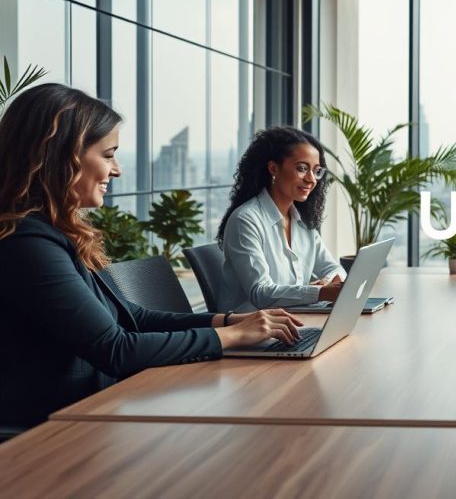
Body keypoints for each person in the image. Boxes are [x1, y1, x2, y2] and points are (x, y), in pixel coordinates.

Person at [0, 84, 303, 429]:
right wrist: (233, 338)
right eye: (108, 154)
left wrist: (226, 322)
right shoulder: (26, 242)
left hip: (96, 411)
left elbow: (132, 318)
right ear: (62, 155)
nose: (117, 171)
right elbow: (116, 349)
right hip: (50, 433)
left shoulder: (48, 234)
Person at [218, 126, 345, 311]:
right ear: (273, 168)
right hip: (250, 331)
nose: (311, 179)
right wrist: (320, 292)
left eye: (316, 171)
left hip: (293, 322)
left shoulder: (303, 222)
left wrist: (328, 282)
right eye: (302, 168)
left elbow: (334, 269)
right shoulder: (245, 220)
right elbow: (260, 293)